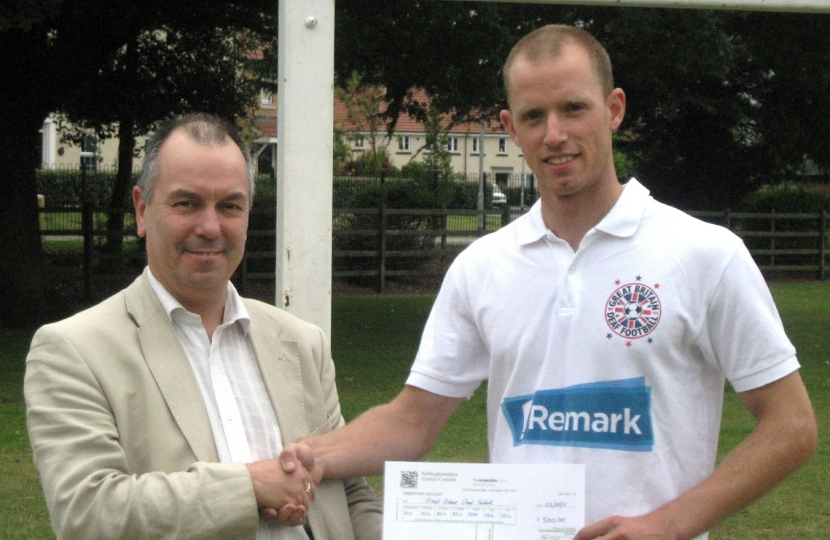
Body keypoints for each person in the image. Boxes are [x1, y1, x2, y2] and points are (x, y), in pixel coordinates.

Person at [281, 24, 817, 540]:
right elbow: (413, 420)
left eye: (574, 109)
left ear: (614, 110)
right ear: (511, 127)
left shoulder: (705, 254)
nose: (554, 134)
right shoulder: (482, 265)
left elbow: (791, 426)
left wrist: (672, 524)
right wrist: (311, 457)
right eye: (534, 116)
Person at [25, 113, 382, 540]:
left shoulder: (301, 342)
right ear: (141, 210)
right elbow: (89, 514)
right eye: (187, 203)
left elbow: (349, 494)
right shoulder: (74, 351)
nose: (210, 227)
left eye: (229, 205)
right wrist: (247, 487)